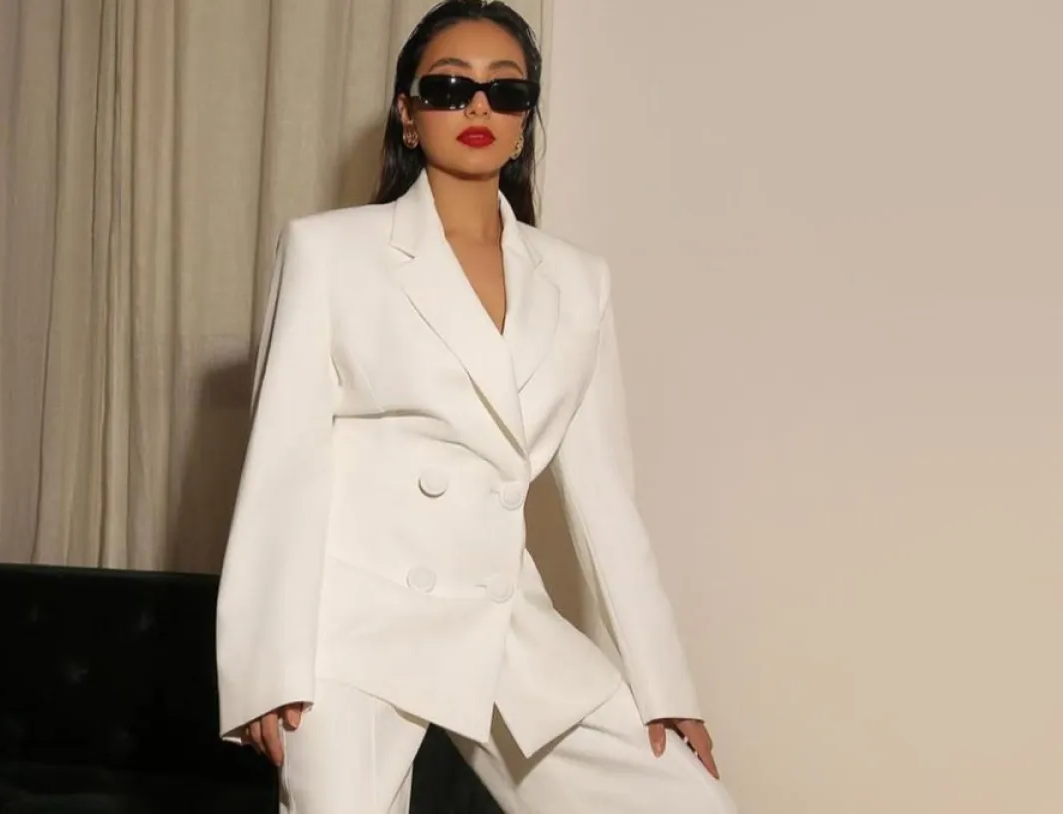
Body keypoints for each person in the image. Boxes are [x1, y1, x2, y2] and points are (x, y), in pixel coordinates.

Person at [215, 2, 739, 812]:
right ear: (408, 112)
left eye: (506, 91)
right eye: (450, 87)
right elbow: (283, 467)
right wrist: (265, 667)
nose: (478, 107)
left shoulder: (577, 282)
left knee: (692, 805)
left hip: (502, 623)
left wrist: (666, 688)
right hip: (350, 632)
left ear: (525, 122)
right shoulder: (331, 251)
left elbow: (606, 504)